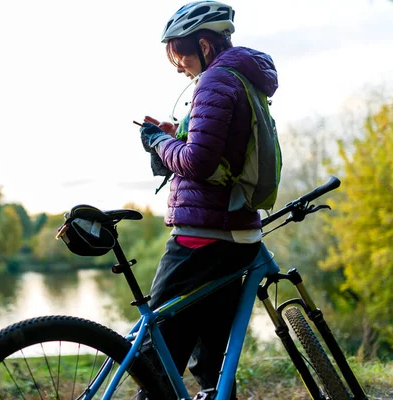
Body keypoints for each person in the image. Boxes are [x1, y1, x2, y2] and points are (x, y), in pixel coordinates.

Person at [138, 1, 278, 399]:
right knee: (214, 362)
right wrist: (177, 135)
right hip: (233, 235)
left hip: (202, 238)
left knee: (159, 358)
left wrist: (157, 141)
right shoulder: (243, 78)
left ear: (203, 44)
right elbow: (219, 153)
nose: (177, 65)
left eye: (178, 53)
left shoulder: (217, 80)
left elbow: (198, 164)